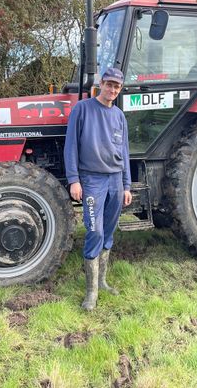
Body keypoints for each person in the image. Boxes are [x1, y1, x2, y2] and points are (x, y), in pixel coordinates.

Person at [64, 66, 132, 310]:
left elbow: (124, 152)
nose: (113, 89)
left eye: (117, 86)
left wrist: (126, 185)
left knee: (109, 231)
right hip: (92, 180)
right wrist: (74, 179)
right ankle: (91, 292)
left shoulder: (119, 116)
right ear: (100, 84)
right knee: (95, 230)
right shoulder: (82, 110)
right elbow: (70, 146)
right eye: (109, 84)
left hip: (115, 180)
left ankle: (101, 282)